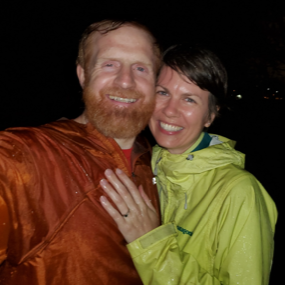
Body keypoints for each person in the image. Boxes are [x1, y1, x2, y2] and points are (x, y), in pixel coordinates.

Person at [99, 44, 278, 285]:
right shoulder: (142, 166)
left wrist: (151, 243)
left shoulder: (239, 192)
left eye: (189, 99)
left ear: (210, 116)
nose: (170, 110)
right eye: (163, 93)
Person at [0, 20, 161, 285]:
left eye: (141, 68)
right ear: (83, 74)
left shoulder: (161, 164)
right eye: (109, 64)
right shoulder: (26, 154)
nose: (125, 80)